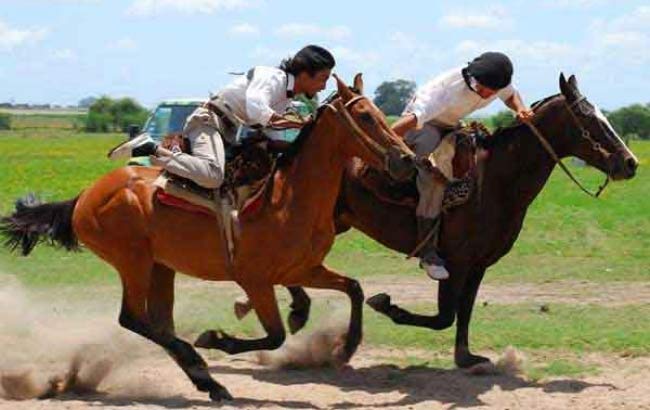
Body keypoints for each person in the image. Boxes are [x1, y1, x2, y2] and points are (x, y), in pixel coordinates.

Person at [108, 45, 335, 189]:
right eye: (323, 78)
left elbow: (272, 133)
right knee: (213, 176)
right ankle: (151, 149)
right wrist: (298, 123)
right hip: (207, 122)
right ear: (305, 74)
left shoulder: (285, 99)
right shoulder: (272, 77)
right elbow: (258, 110)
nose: (324, 86)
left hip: (223, 131)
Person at [391, 51, 534, 280]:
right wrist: (383, 138)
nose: (490, 96)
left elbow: (510, 95)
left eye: (494, 91)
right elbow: (413, 120)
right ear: (474, 80)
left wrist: (520, 108)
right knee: (434, 179)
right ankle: (428, 254)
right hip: (423, 125)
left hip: (452, 124)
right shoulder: (443, 92)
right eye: (489, 91)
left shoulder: (493, 81)